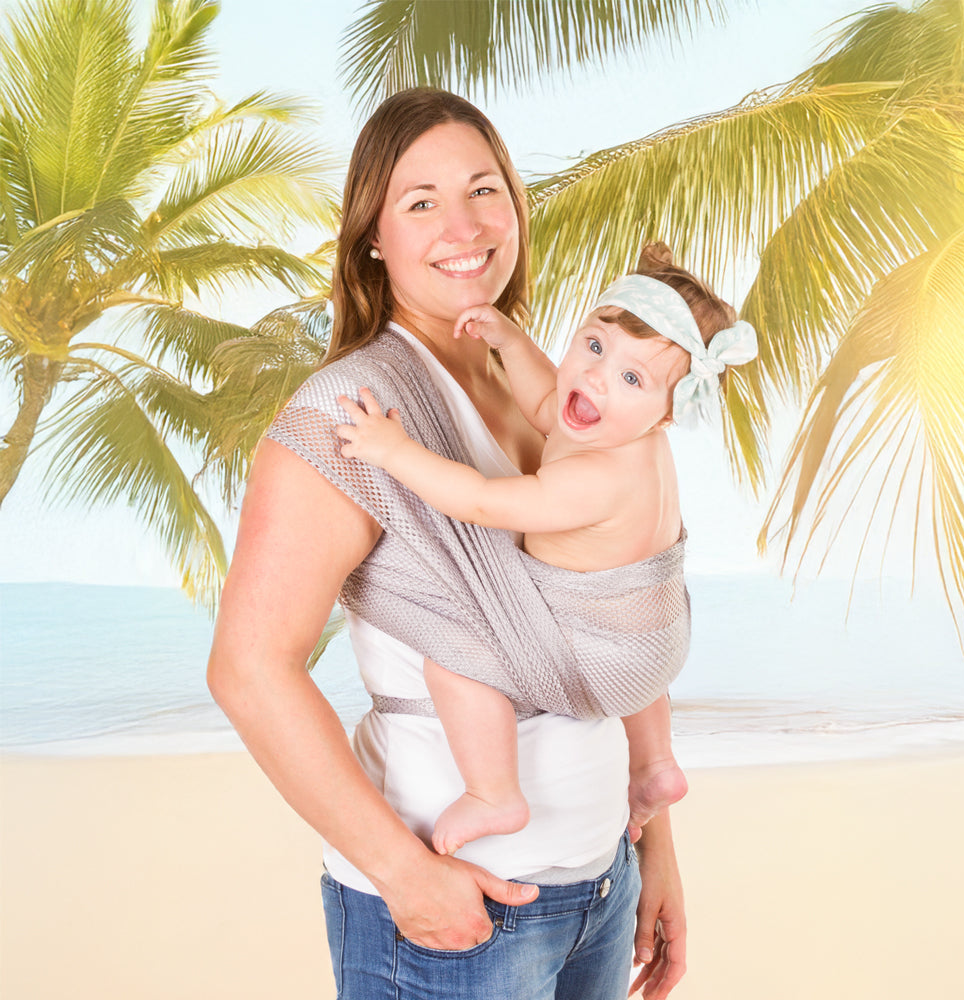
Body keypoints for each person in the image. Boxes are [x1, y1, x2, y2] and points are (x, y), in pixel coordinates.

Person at [208, 87, 687, 1000]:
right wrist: (404, 876)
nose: (463, 226)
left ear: (516, 205)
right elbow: (248, 670)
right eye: (421, 202)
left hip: (601, 884)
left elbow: (611, 616)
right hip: (457, 915)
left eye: (484, 190)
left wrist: (654, 847)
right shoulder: (351, 416)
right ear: (372, 237)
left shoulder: (557, 387)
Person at [335, 244, 755, 858]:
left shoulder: (595, 478)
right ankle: (655, 763)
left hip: (598, 655)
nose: (594, 377)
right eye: (595, 344)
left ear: (670, 413)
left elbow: (480, 501)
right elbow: (542, 404)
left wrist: (394, 451)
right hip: (652, 641)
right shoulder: (630, 438)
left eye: (631, 378)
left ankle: (494, 793)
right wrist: (509, 340)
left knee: (452, 660)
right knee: (629, 633)